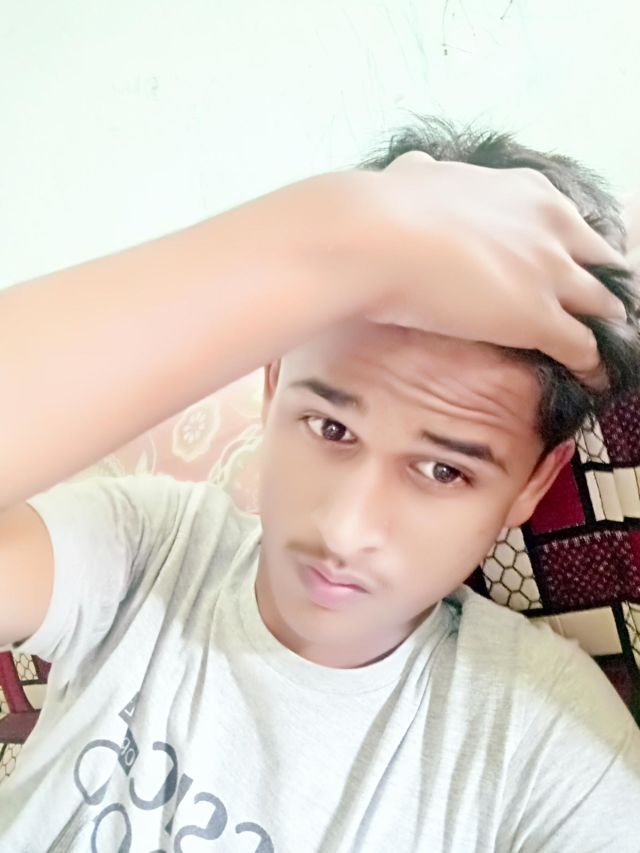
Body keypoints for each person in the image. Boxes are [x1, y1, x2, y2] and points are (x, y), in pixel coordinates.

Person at [0, 116, 639, 851]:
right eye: (331, 428)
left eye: (443, 470)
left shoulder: (549, 748)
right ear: (274, 384)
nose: (344, 528)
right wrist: (349, 227)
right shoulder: (148, 552)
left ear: (533, 482)